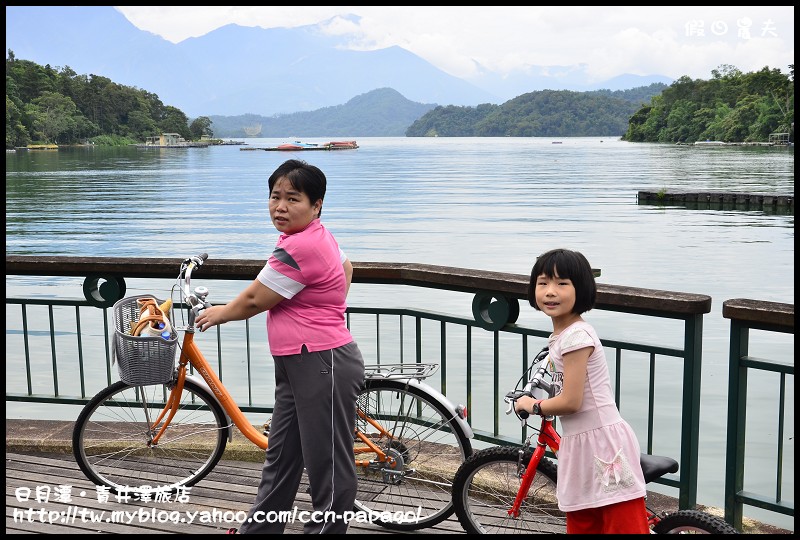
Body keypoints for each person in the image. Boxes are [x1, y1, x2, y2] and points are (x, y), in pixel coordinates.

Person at [195, 159, 365, 534]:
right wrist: (327, 307)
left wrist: (219, 313)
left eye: (293, 198)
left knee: (329, 467)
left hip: (323, 361)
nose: (281, 207)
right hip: (299, 362)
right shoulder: (313, 236)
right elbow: (347, 268)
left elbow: (255, 299)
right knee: (282, 457)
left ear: (316, 205)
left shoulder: (302, 245)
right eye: (275, 197)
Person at [515, 248, 649, 534]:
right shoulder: (564, 335)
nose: (550, 292)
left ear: (581, 289)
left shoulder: (577, 336)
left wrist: (532, 405)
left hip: (603, 445)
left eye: (562, 284)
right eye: (543, 283)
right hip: (582, 443)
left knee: (620, 524)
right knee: (584, 520)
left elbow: (571, 401)